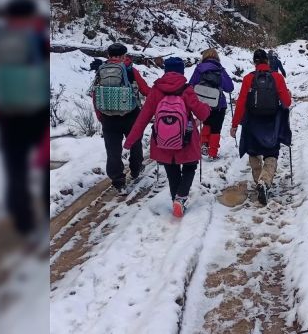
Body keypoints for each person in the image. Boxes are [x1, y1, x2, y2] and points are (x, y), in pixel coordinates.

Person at [0, 0, 49, 237]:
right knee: (43, 162)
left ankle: (22, 218)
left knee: (14, 166)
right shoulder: (39, 39)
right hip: (37, 112)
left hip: (7, 114)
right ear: (31, 15)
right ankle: (46, 210)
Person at [124, 57, 210, 217]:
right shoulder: (186, 89)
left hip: (163, 141)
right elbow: (202, 114)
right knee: (190, 166)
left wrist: (130, 141)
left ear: (165, 71)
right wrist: (206, 107)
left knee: (171, 170)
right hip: (186, 139)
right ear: (181, 72)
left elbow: (143, 118)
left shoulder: (156, 90)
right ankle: (181, 198)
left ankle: (175, 200)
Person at [229, 49, 292, 205]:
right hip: (272, 123)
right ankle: (265, 181)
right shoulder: (277, 77)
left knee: (253, 153)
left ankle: (259, 182)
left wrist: (235, 124)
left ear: (254, 62)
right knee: (271, 154)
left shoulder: (248, 78)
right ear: (267, 61)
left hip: (252, 122)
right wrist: (288, 94)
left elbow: (241, 103)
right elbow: (286, 102)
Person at [92, 43, 151, 190]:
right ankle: (136, 170)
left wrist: (100, 116)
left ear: (109, 55)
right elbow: (145, 91)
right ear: (124, 56)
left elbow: (95, 95)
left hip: (108, 117)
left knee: (113, 150)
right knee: (135, 143)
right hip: (130, 115)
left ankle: (118, 180)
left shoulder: (101, 70)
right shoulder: (130, 70)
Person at [188, 48, 235, 160]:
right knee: (216, 128)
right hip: (219, 104)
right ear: (217, 58)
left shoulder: (199, 69)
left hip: (203, 103)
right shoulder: (220, 70)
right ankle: (212, 153)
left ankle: (203, 144)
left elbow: (191, 85)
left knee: (206, 124)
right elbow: (229, 88)